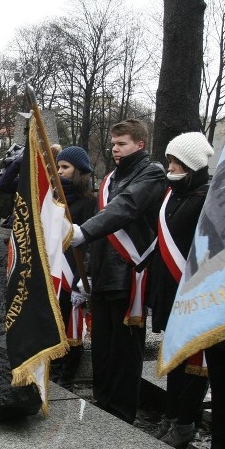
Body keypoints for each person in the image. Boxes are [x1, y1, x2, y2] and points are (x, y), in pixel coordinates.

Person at [71, 118, 167, 424]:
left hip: (128, 274)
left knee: (125, 351)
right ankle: (103, 403)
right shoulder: (111, 178)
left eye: (122, 143)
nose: (115, 149)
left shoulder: (151, 174)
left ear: (140, 145)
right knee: (102, 347)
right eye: (113, 144)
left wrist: (82, 231)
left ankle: (122, 412)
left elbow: (125, 207)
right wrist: (85, 273)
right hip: (102, 275)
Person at [144, 132, 213, 449]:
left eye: (177, 162)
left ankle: (185, 423)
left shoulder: (206, 198)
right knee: (174, 362)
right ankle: (172, 418)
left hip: (194, 297)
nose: (170, 167)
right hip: (168, 292)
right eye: (170, 160)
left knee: (191, 366)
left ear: (194, 164)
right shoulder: (174, 195)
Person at [50, 146, 96, 390]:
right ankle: (53, 369)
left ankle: (66, 376)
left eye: (65, 167)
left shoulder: (90, 202)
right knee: (54, 322)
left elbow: (89, 241)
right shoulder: (54, 199)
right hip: (56, 268)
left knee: (71, 324)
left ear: (79, 171)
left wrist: (84, 275)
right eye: (58, 167)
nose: (60, 172)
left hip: (74, 272)